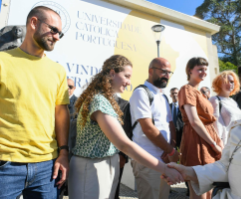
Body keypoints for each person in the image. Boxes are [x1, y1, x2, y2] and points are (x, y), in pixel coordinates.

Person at [68, 55, 183, 199]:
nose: (129, 82)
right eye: (126, 76)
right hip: (92, 167)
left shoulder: (104, 100)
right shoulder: (99, 101)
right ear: (111, 73)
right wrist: (164, 168)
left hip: (103, 165)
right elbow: (124, 144)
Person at [0, 6, 69, 198]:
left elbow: (61, 115)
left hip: (47, 168)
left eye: (60, 32)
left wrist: (63, 153)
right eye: (53, 30)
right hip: (2, 166)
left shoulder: (58, 72)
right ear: (33, 23)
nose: (57, 37)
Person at [129, 57, 180, 199]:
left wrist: (171, 147)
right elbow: (148, 128)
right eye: (164, 71)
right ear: (151, 71)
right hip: (147, 159)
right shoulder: (141, 93)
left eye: (170, 73)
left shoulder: (163, 97)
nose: (167, 76)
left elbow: (170, 125)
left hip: (164, 160)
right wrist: (170, 151)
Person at [178, 57, 223, 199]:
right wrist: (213, 143)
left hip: (208, 139)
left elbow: (208, 121)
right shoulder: (187, 89)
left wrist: (217, 141)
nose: (203, 72)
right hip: (197, 140)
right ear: (190, 71)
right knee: (199, 192)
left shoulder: (200, 93)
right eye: (199, 69)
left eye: (205, 69)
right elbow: (194, 121)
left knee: (209, 190)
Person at [209, 71, 241, 145]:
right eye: (226, 81)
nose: (230, 84)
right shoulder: (214, 99)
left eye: (232, 81)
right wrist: (218, 144)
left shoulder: (233, 102)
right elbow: (215, 124)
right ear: (219, 83)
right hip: (224, 142)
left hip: (237, 140)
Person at [114, 96, 131, 199]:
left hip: (118, 154)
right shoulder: (96, 100)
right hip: (99, 154)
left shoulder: (125, 104)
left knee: (114, 188)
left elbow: (127, 131)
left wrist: (123, 154)